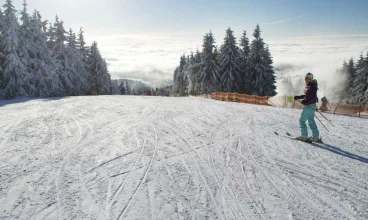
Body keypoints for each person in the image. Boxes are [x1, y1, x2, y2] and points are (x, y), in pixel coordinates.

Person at [294, 73, 321, 142]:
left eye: (309, 78)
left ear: (311, 79)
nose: (307, 80)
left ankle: (304, 136)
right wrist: (299, 97)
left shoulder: (312, 86)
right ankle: (315, 137)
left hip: (309, 105)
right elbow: (308, 95)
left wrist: (306, 101)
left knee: (302, 120)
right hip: (312, 105)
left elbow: (313, 97)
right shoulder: (310, 86)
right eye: (306, 78)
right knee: (311, 121)